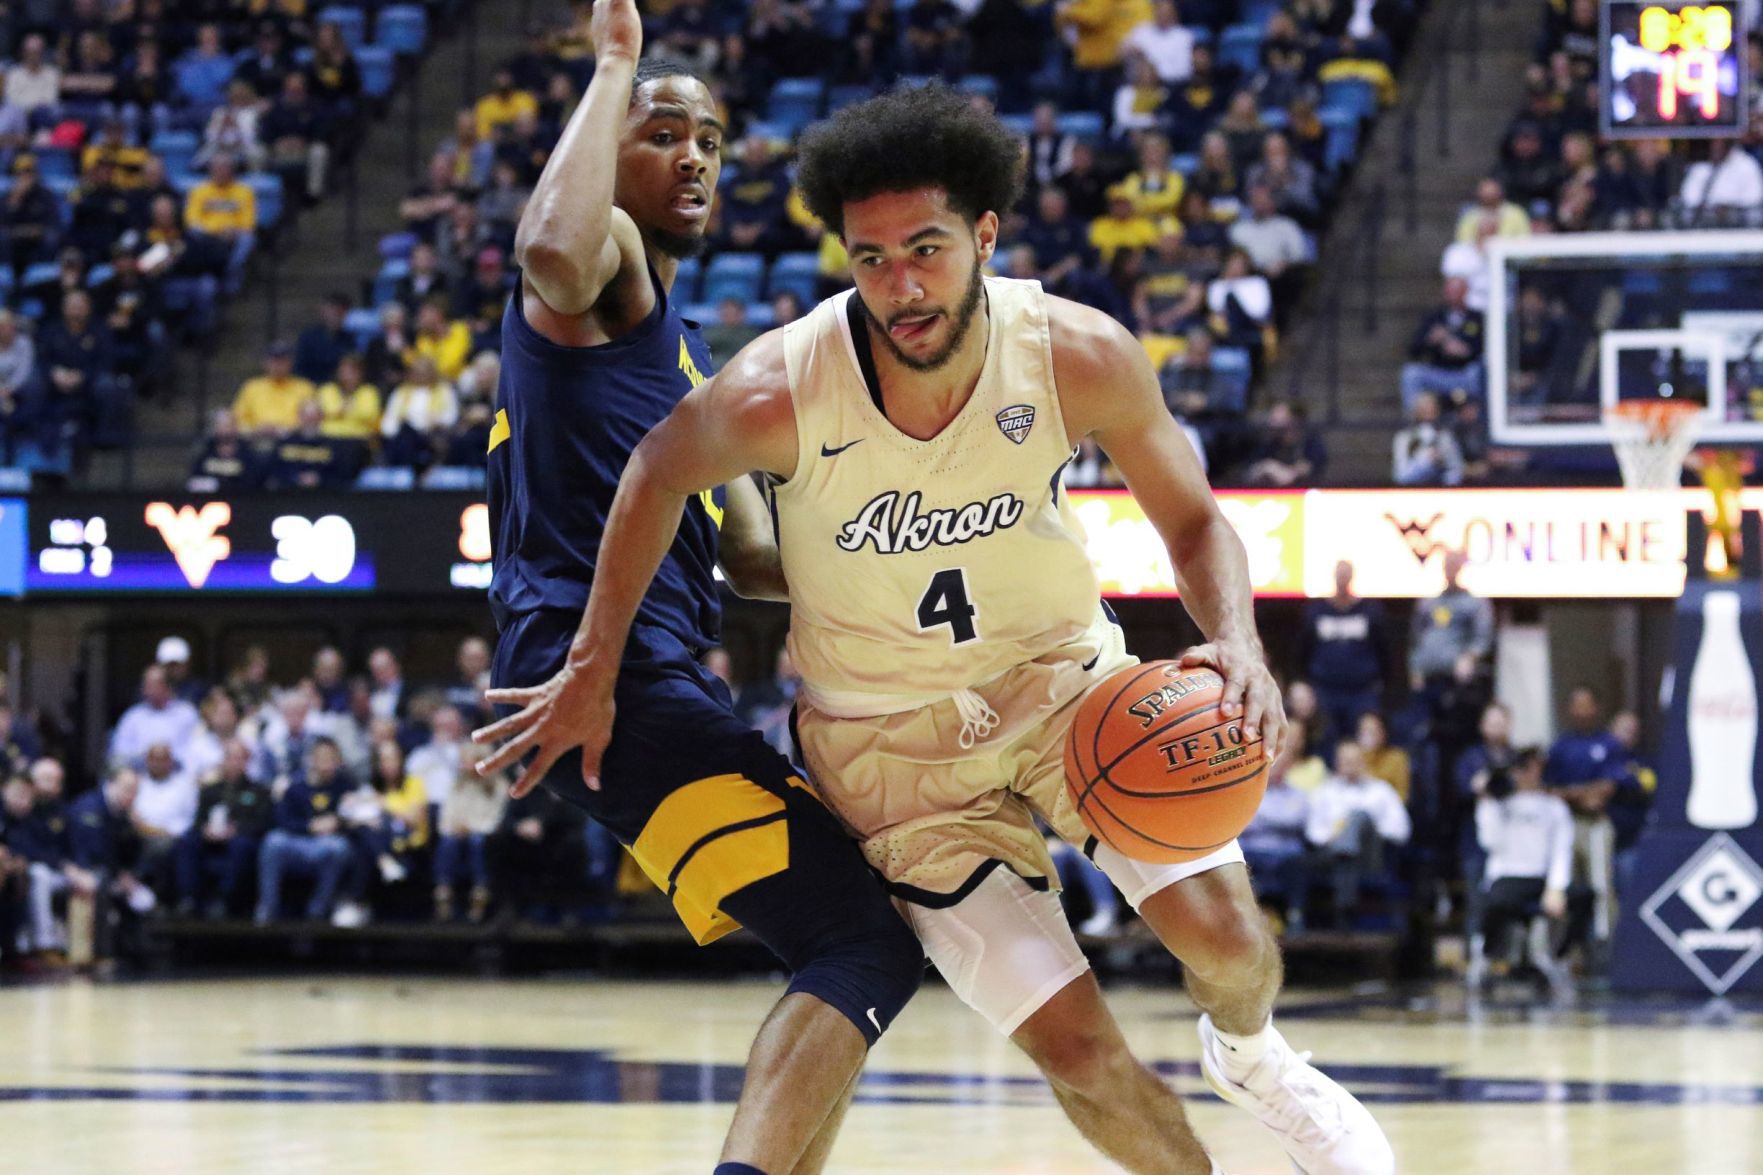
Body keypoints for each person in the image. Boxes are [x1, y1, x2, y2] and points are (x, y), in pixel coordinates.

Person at [481, 81, 1392, 1175]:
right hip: (890, 754)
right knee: (1075, 1049)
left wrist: (1238, 640)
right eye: (871, 259)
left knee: (1229, 945)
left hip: (1060, 684)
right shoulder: (774, 385)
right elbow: (652, 471)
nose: (900, 285)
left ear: (984, 236)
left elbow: (1195, 520)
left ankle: (1252, 1055)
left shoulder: (1075, 351)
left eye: (926, 250)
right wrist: (593, 661)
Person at [466, 13, 922, 1174]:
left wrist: (919, 542)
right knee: (863, 945)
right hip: (602, 678)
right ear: (604, 150)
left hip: (632, 685)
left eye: (710, 139)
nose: (694, 157)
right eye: (662, 133)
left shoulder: (692, 364)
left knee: (850, 941)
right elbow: (550, 252)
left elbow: (759, 558)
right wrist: (614, 65)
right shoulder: (602, 261)